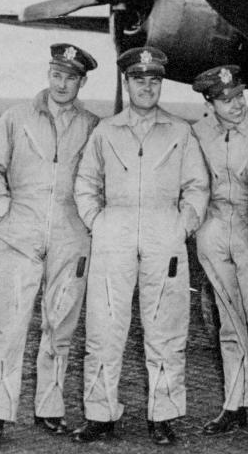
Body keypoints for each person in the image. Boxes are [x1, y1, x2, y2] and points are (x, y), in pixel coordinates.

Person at [71, 46, 209, 446]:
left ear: (160, 84)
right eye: (138, 80)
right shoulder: (106, 130)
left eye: (154, 81)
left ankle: (162, 415)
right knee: (103, 325)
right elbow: (85, 183)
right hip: (114, 230)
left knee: (165, 327)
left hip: (163, 231)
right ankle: (100, 413)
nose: (146, 88)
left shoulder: (180, 131)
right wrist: (98, 221)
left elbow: (197, 186)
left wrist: (181, 225)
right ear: (126, 83)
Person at [0, 43, 100, 440]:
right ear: (49, 76)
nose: (62, 84)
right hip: (20, 232)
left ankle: (50, 409)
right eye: (56, 75)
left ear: (81, 81)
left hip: (71, 233)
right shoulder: (16, 118)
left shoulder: (93, 126)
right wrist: (1, 211)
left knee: (60, 325)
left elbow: (102, 179)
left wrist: (92, 220)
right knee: (7, 325)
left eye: (71, 77)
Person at [190, 65, 248, 435]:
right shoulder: (198, 133)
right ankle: (235, 404)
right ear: (210, 103)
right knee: (229, 323)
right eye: (226, 100)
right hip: (215, 231)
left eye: (240, 96)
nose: (236, 105)